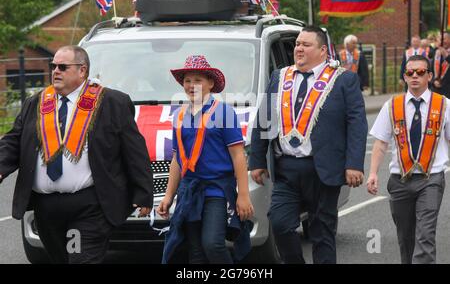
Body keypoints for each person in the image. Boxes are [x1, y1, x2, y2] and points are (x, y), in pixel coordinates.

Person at [0, 45, 154, 264]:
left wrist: (143, 192)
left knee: (81, 259)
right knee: (63, 260)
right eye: (53, 66)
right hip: (46, 207)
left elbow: (134, 150)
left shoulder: (112, 102)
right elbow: (14, 140)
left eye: (63, 67)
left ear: (82, 71)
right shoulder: (36, 103)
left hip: (89, 205)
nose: (55, 71)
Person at [249, 26, 367, 264]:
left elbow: (356, 124)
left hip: (324, 169)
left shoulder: (344, 79)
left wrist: (354, 164)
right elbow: (264, 120)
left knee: (322, 232)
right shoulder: (280, 77)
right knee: (280, 224)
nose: (299, 49)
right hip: (286, 169)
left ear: (323, 50)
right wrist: (258, 161)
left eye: (306, 44)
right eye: (297, 44)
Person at [156, 55, 254, 264]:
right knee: (196, 252)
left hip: (216, 190)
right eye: (187, 80)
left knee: (213, 244)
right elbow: (177, 159)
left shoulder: (224, 113)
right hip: (189, 190)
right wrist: (168, 196)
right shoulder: (179, 115)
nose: (192, 85)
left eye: (198, 80)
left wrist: (243, 195)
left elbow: (238, 155)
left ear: (210, 83)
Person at [367, 55, 449, 264]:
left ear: (429, 76)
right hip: (400, 180)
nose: (414, 76)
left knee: (425, 235)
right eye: (409, 72)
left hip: (431, 179)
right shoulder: (392, 106)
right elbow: (381, 143)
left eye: (420, 72)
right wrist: (373, 173)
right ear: (404, 77)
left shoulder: (444, 105)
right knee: (405, 238)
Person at [432, 32, 450, 98]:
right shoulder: (436, 52)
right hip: (437, 90)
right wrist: (434, 81)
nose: (442, 41)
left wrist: (447, 56)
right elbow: (430, 70)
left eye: (444, 39)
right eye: (440, 39)